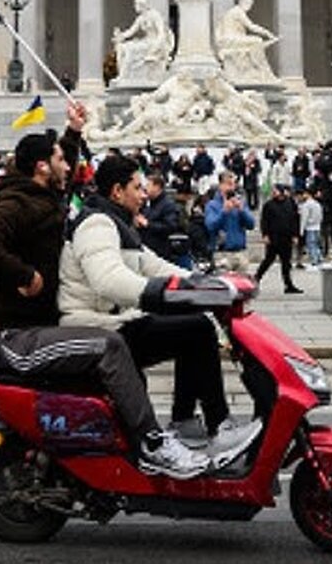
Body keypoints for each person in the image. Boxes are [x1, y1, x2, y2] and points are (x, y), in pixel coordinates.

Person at [0, 109, 210, 480]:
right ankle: (154, 446)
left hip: (45, 325)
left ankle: (144, 447)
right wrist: (24, 273)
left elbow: (65, 160)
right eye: (60, 159)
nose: (69, 165)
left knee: (131, 345)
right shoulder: (15, 201)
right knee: (110, 345)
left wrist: (73, 132)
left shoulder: (43, 193)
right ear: (43, 167)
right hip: (22, 332)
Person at [58, 155, 262, 465]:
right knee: (197, 330)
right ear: (117, 191)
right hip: (97, 326)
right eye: (138, 188)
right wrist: (155, 294)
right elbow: (108, 280)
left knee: (193, 326)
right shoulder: (97, 224)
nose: (144, 195)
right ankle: (216, 424)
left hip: (114, 320)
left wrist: (205, 282)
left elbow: (153, 264)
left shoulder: (118, 223)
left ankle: (184, 421)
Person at [204, 171, 256, 273]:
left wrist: (242, 211)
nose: (231, 187)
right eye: (228, 184)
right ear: (221, 185)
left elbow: (251, 224)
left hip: (240, 252)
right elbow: (210, 225)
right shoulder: (212, 205)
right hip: (222, 253)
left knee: (242, 284)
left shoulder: (240, 202)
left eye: (233, 184)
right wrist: (224, 212)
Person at [255, 183, 302, 294]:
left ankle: (288, 285)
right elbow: (264, 221)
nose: (274, 192)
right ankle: (256, 279)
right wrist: (265, 235)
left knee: (286, 263)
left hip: (286, 238)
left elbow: (295, 219)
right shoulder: (269, 205)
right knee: (268, 260)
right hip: (273, 238)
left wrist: (295, 235)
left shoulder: (290, 203)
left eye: (276, 190)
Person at [139, 173, 180, 261]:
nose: (145, 189)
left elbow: (170, 227)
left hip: (160, 253)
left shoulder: (168, 205)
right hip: (147, 250)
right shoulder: (148, 203)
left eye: (148, 185)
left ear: (157, 187)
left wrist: (148, 224)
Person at [298, 188, 323, 270]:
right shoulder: (317, 204)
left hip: (309, 228)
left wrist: (301, 230)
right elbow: (321, 216)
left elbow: (304, 218)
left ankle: (314, 261)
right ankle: (319, 259)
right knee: (316, 245)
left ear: (308, 194)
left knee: (311, 245)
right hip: (317, 227)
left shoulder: (306, 205)